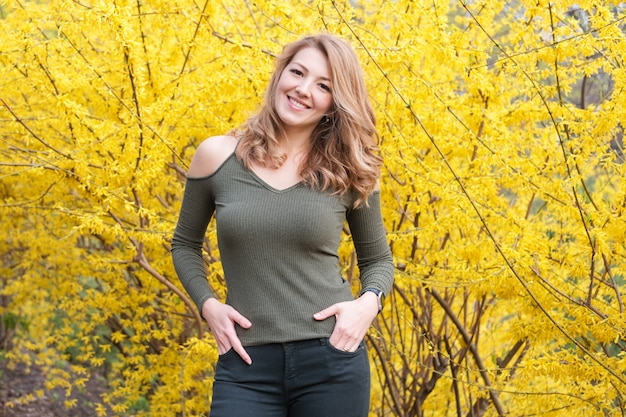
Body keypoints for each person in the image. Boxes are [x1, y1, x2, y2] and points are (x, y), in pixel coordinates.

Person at [171, 33, 394, 417]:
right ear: (280, 74)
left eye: (324, 85)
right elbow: (184, 245)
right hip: (246, 365)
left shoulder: (349, 170)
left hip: (333, 360)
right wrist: (208, 305)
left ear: (333, 104)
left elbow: (378, 260)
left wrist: (367, 304)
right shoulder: (217, 156)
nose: (304, 89)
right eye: (298, 72)